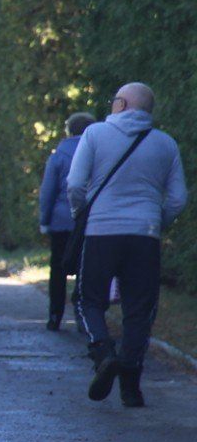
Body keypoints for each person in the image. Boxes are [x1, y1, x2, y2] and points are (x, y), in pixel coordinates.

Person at [68, 82, 187, 407]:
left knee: (88, 298)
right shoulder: (165, 144)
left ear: (120, 104)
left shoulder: (94, 135)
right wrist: (154, 221)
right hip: (144, 234)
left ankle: (103, 352)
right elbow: (178, 198)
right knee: (140, 309)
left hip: (101, 231)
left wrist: (82, 213)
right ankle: (131, 386)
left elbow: (75, 184)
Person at [37, 112, 96, 330]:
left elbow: (48, 192)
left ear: (69, 130)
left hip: (61, 220)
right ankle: (83, 316)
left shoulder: (58, 156)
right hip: (90, 220)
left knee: (58, 268)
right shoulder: (98, 152)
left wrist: (45, 220)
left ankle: (55, 315)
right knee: (86, 267)